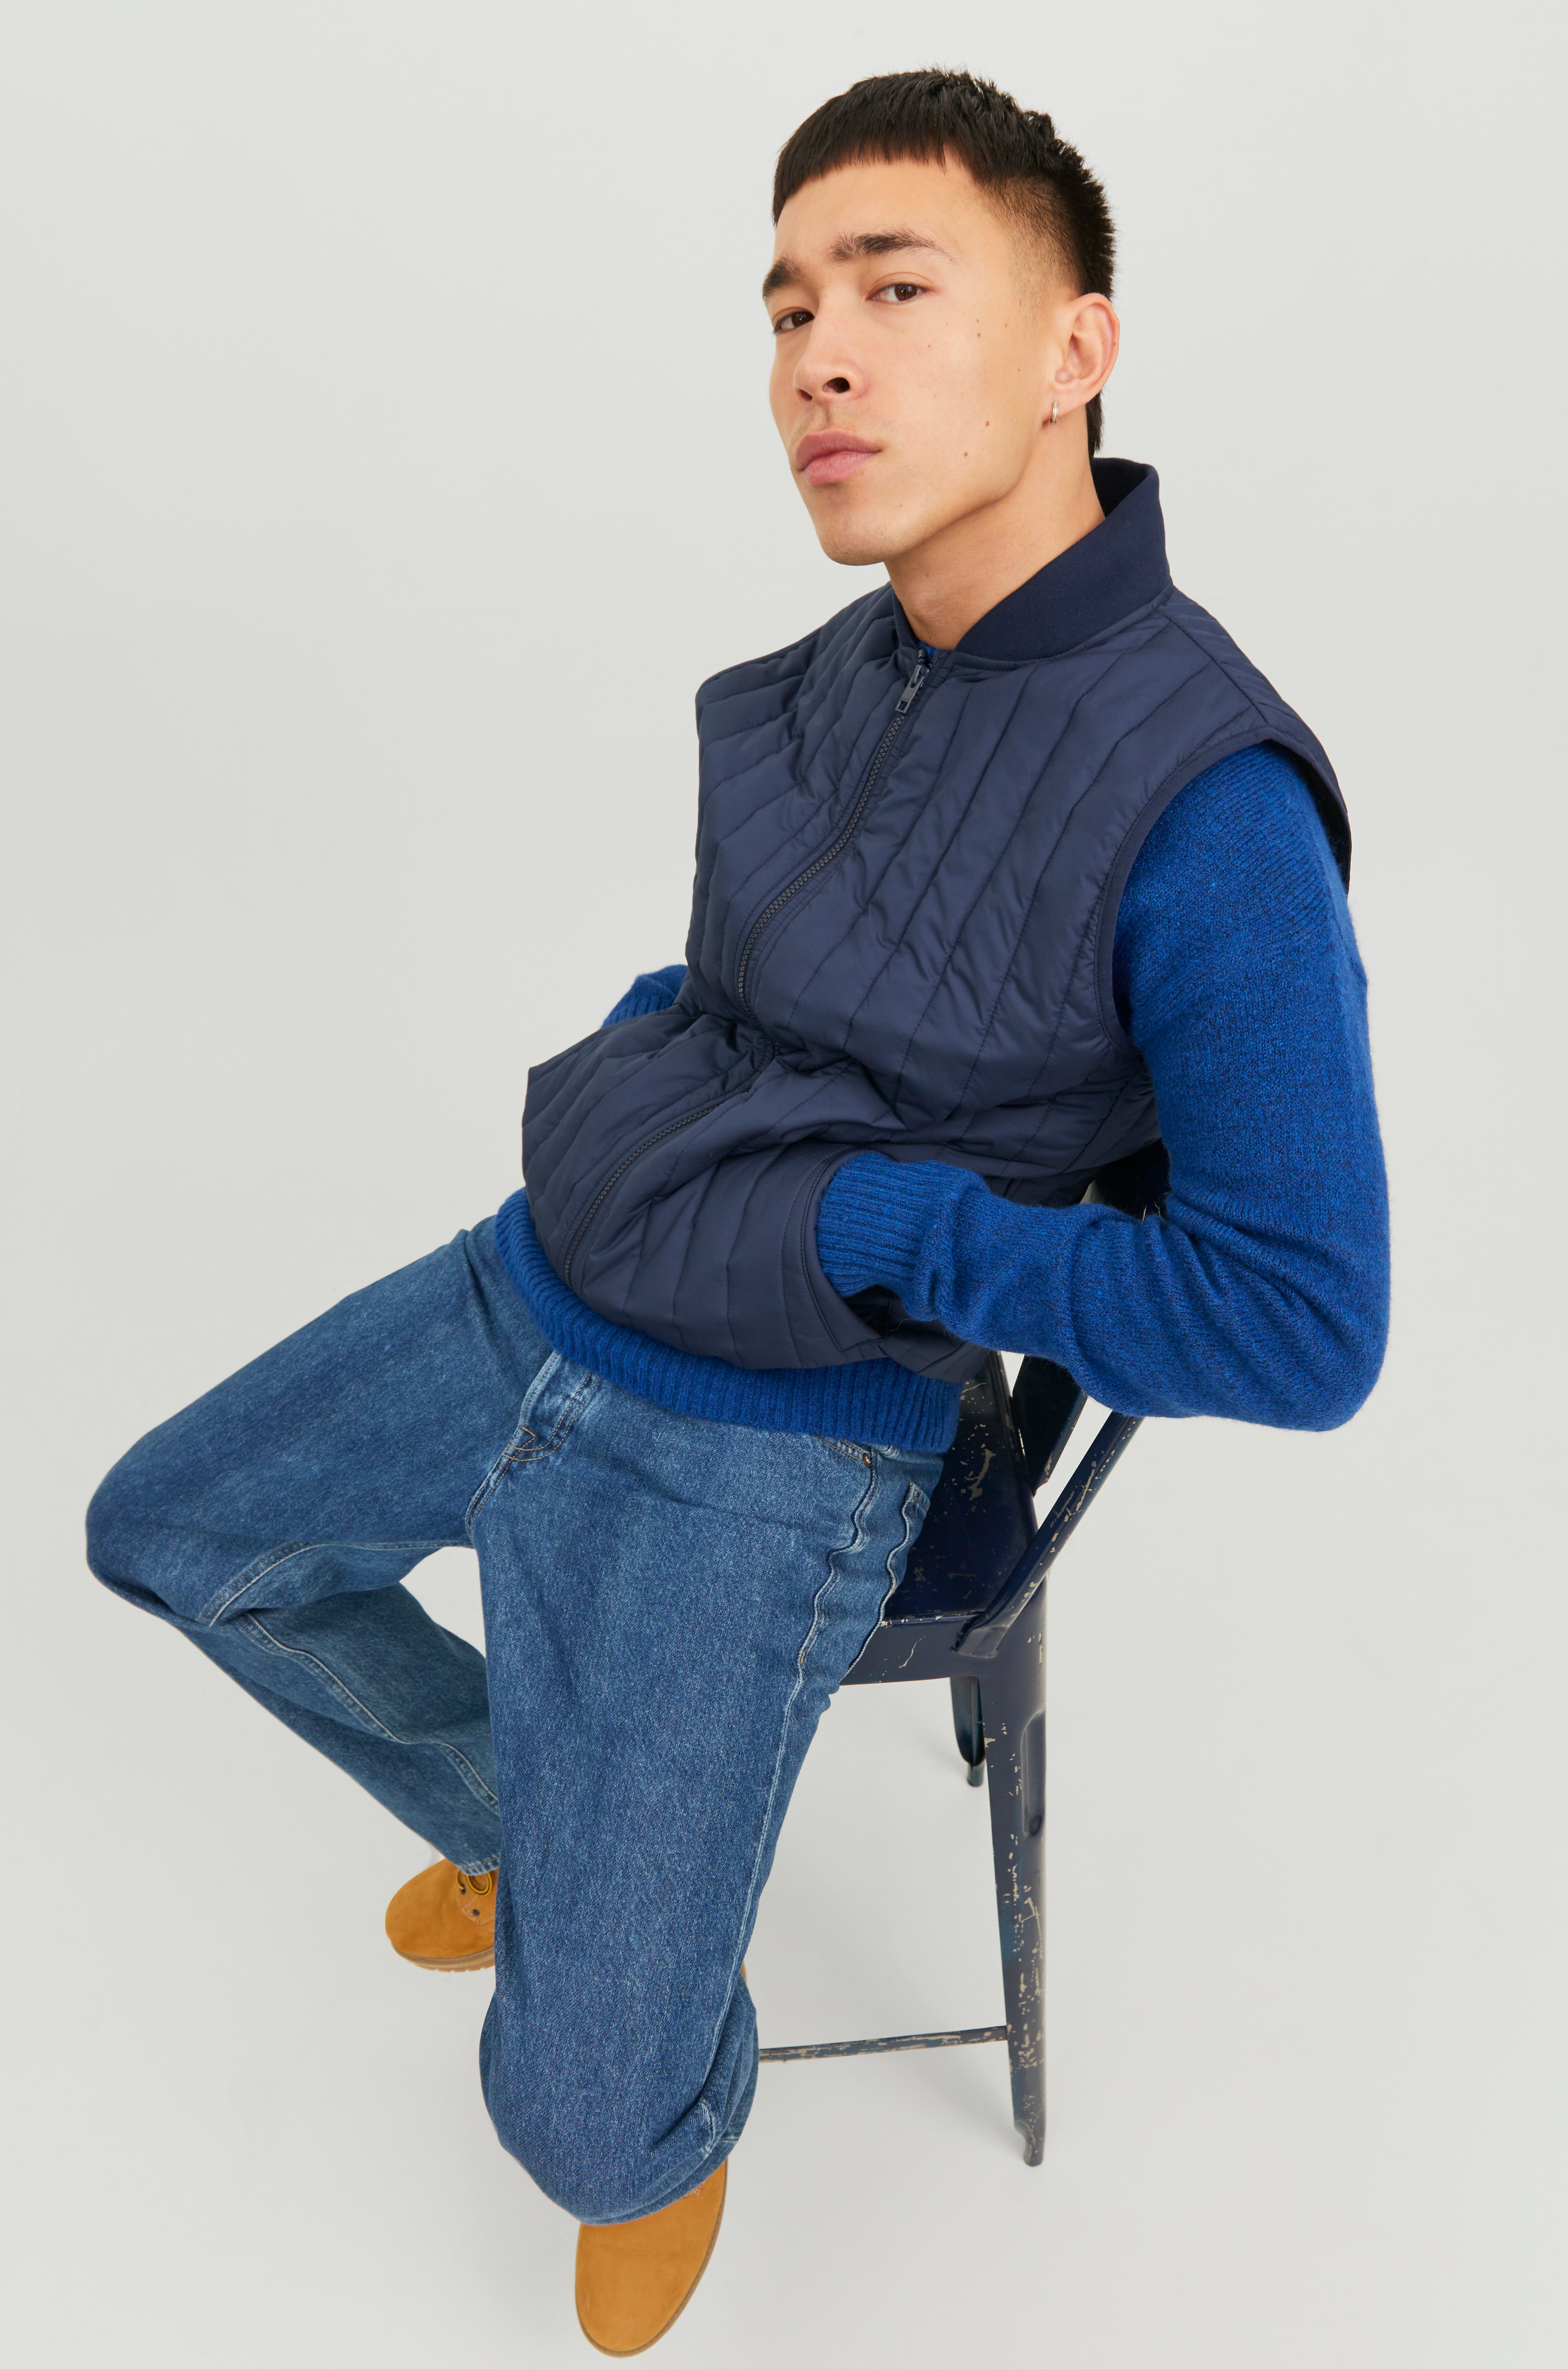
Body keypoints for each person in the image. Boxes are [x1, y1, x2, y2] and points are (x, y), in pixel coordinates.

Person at [86, 67, 1389, 2355]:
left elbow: (1299, 1321)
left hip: (783, 1416)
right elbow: (750, 985)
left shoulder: (1211, 808)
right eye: (787, 309)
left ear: (1075, 347)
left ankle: (639, 2063)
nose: (818, 360)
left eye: (893, 290)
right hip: (569, 1263)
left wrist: (887, 1230)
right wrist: (641, 1077)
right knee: (175, 1531)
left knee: (584, 2131)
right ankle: (535, 1831)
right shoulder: (856, 663)